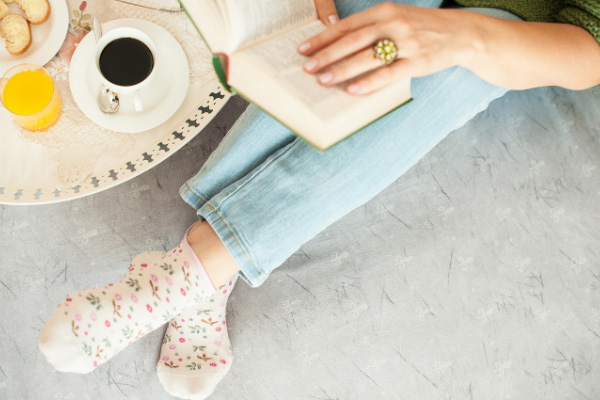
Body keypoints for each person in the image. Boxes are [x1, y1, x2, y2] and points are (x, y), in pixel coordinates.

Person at [38, 0, 600, 399]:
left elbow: (588, 46)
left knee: (459, 73)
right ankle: (199, 274)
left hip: (501, 29)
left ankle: (191, 274)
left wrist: (462, 36)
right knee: (330, 52)